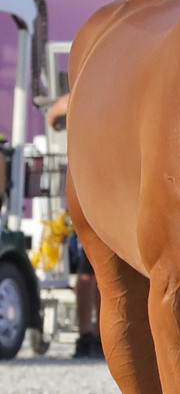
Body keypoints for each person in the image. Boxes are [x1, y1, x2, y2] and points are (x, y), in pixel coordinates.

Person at [48, 93, 104, 359]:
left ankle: (90, 334)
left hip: (94, 191)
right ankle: (95, 334)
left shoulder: (90, 90)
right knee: (95, 273)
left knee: (93, 273)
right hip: (98, 190)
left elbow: (55, 113)